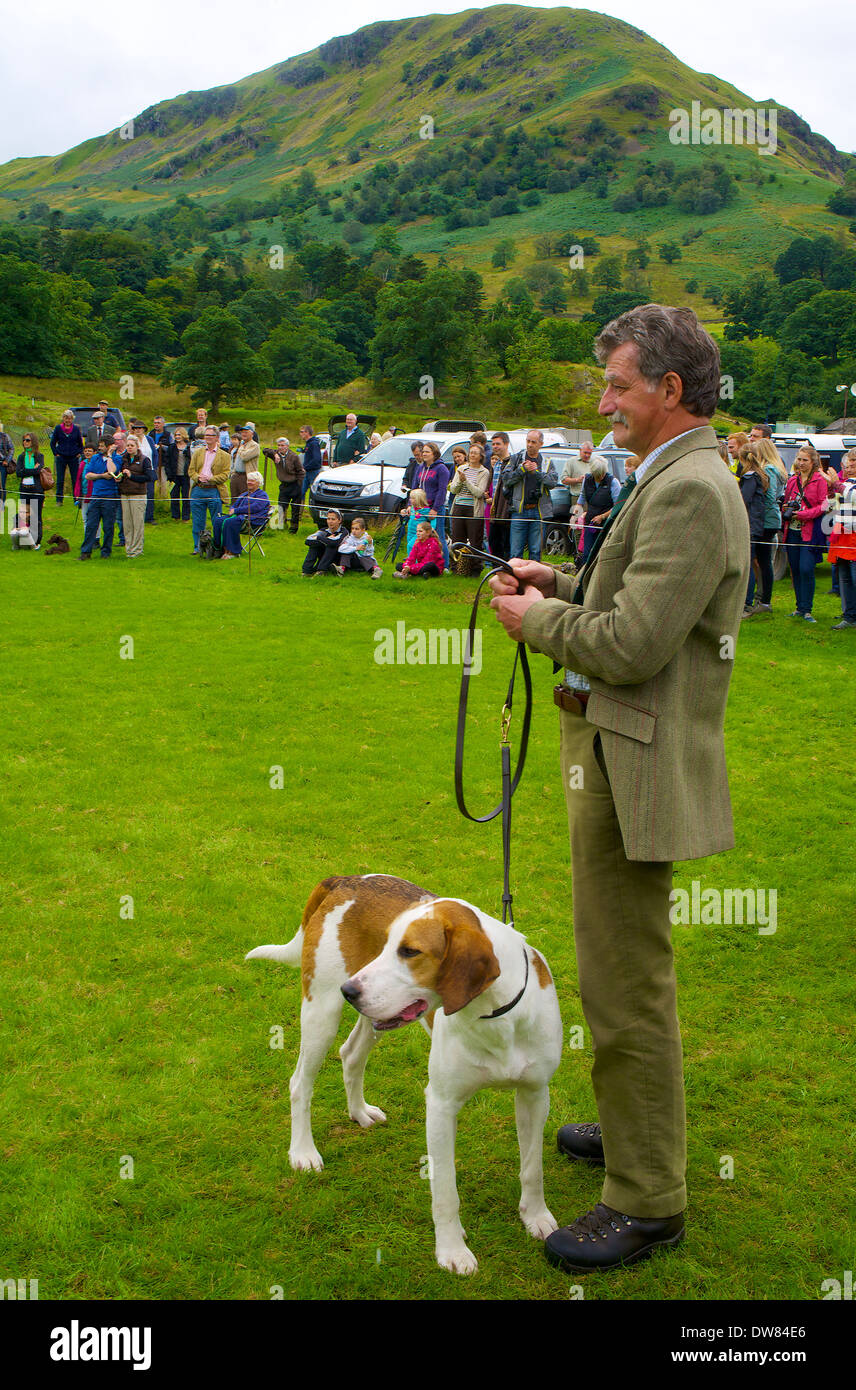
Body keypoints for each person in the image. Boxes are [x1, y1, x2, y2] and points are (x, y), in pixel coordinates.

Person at [489, 303, 749, 1274]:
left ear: (669, 390)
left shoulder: (688, 487)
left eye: (618, 385)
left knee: (624, 982)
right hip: (615, 753)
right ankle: (636, 1133)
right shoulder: (677, 476)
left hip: (631, 762)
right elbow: (631, 602)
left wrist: (534, 622)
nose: (603, 402)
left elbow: (633, 647)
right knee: (619, 970)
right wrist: (551, 583)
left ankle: (645, 1198)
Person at [782, 445, 828, 623]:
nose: (800, 463)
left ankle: (807, 609)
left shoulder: (819, 481)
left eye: (804, 460)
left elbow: (824, 506)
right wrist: (786, 508)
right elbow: (786, 501)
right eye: (799, 459)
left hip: (809, 531)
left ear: (813, 462)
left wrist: (803, 514)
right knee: (795, 569)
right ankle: (799, 607)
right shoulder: (793, 480)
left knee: (806, 569)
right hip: (792, 530)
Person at [503, 429, 557, 562]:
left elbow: (552, 482)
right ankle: (515, 581)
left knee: (535, 551)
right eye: (528, 441)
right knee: (515, 551)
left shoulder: (547, 462)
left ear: (541, 444)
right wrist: (522, 470)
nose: (530, 444)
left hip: (539, 512)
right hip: (519, 511)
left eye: (533, 442)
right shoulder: (516, 459)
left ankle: (533, 580)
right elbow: (506, 479)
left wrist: (536, 472)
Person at [746, 439, 786, 613]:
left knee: (763, 561)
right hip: (771, 518)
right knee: (762, 561)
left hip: (767, 520)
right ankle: (762, 599)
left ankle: (764, 600)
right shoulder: (778, 469)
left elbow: (769, 497)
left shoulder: (769, 469)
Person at [826, 447, 856, 629]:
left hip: (854, 536)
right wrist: (831, 491)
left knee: (854, 576)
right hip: (842, 535)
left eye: (854, 461)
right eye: (849, 461)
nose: (850, 465)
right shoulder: (845, 484)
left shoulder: (846, 485)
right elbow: (830, 506)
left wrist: (836, 485)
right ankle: (849, 615)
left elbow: (853, 496)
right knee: (844, 577)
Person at [736, 444, 768, 618]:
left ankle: (746, 604)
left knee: (747, 565)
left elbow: (744, 500)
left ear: (742, 459)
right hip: (755, 524)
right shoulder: (760, 475)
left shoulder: (749, 477)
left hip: (749, 525)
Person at [189, 426, 230, 556]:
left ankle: (216, 547)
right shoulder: (198, 453)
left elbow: (225, 475)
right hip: (198, 490)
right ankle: (198, 548)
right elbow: (191, 470)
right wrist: (198, 477)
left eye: (210, 435)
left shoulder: (225, 456)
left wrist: (211, 479)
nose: (207, 438)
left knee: (216, 521)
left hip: (214, 490)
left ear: (217, 438)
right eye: (206, 435)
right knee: (197, 521)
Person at [212, 471, 270, 559]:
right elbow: (235, 504)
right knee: (218, 520)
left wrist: (236, 510)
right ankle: (219, 549)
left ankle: (233, 551)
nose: (249, 482)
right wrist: (232, 509)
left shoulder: (262, 495)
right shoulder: (245, 494)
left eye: (252, 481)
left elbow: (255, 507)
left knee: (229, 522)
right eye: (248, 480)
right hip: (240, 517)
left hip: (252, 521)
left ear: (258, 483)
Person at [78, 437, 120, 559]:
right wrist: (101, 475)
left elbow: (112, 471)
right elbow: (88, 475)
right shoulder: (95, 458)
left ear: (109, 446)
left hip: (110, 497)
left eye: (102, 446)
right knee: (91, 524)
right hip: (95, 496)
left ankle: (106, 552)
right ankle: (86, 552)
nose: (99, 448)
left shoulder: (116, 458)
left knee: (108, 526)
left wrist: (110, 456)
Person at [575, 453, 621, 559]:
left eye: (602, 474)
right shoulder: (587, 479)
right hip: (590, 522)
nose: (601, 477)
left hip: (606, 524)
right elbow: (581, 498)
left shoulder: (613, 482)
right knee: (586, 554)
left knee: (601, 555)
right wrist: (574, 515)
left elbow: (618, 506)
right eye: (597, 475)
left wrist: (602, 516)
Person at [449, 442, 490, 556]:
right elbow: (453, 489)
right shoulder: (462, 468)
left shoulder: (484, 472)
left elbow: (479, 492)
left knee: (475, 541)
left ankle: (474, 568)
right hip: (458, 507)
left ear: (481, 456)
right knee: (457, 539)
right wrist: (460, 481)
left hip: (474, 510)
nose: (472, 455)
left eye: (475, 453)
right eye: (471, 453)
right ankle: (457, 567)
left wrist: (466, 481)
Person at [118, 434, 153, 559]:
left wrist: (132, 475)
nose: (129, 448)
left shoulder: (144, 460)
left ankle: (137, 550)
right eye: (127, 445)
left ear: (137, 446)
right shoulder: (123, 459)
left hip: (138, 495)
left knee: (137, 523)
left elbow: (149, 477)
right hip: (125, 494)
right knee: (127, 524)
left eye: (132, 445)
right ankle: (129, 549)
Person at [417, 441, 450, 566]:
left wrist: (435, 508)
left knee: (438, 536)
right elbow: (415, 486)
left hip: (435, 508)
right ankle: (424, 563)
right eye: (423, 451)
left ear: (434, 453)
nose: (424, 454)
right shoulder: (420, 467)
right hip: (421, 507)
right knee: (421, 537)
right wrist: (410, 504)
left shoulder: (442, 469)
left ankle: (444, 564)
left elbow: (442, 490)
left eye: (427, 452)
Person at [15, 431, 46, 548]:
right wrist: (32, 470)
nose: (25, 442)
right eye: (24, 440)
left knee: (36, 516)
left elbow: (38, 471)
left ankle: (37, 540)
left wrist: (27, 471)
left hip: (36, 490)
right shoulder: (21, 457)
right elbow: (18, 473)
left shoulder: (39, 456)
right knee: (24, 515)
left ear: (33, 442)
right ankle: (24, 539)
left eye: (27, 440)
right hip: (24, 489)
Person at [265, 437, 304, 532]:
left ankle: (294, 528)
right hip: (284, 485)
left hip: (295, 484)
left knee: (295, 509)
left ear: (287, 446)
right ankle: (282, 525)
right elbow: (265, 450)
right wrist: (275, 454)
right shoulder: (276, 455)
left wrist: (300, 485)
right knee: (281, 506)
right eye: (279, 445)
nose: (280, 447)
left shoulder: (294, 456)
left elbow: (300, 471)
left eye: (282, 445)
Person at [49, 409, 84, 505]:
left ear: (72, 419)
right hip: (61, 457)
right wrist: (56, 453)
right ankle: (59, 500)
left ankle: (76, 499)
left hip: (73, 457)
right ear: (63, 418)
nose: (68, 420)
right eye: (66, 418)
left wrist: (79, 453)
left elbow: (80, 444)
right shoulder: (58, 428)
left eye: (69, 418)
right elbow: (52, 443)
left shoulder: (76, 429)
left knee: (75, 479)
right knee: (60, 479)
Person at [487, 431, 512, 561]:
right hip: (494, 509)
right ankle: (497, 570)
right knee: (493, 542)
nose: (495, 446)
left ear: (506, 444)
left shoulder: (512, 463)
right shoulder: (496, 464)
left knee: (505, 543)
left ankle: (506, 571)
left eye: (498, 444)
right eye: (493, 444)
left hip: (506, 510)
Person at [302, 509, 349, 575]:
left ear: (339, 520)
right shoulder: (324, 530)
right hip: (325, 557)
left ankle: (321, 571)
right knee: (314, 546)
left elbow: (335, 543)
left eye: (333, 519)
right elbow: (308, 540)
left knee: (331, 546)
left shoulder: (344, 532)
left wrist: (320, 539)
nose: (330, 521)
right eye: (328, 519)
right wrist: (326, 539)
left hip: (338, 558)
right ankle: (306, 571)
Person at [146, 415, 172, 523]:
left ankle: (163, 503)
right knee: (153, 485)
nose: (156, 425)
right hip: (152, 464)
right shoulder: (150, 434)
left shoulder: (168, 435)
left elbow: (171, 447)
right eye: (155, 423)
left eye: (158, 423)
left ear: (163, 424)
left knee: (163, 484)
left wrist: (161, 447)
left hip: (163, 463)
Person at [166, 427, 192, 521]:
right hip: (174, 476)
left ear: (183, 435)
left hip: (186, 476)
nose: (177, 437)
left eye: (179, 435)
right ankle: (175, 516)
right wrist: (169, 475)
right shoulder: (171, 447)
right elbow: (167, 461)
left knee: (186, 497)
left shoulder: (189, 447)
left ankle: (186, 517)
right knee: (174, 497)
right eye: (176, 435)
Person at [232, 422, 260, 501]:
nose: (243, 434)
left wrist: (240, 448)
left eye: (246, 432)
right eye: (242, 432)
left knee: (245, 501)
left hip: (247, 477)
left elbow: (245, 457)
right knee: (234, 500)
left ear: (252, 434)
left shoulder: (255, 446)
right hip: (236, 475)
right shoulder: (242, 444)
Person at [299, 425, 323, 504]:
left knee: (314, 492)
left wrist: (305, 467)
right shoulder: (308, 443)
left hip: (313, 472)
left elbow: (316, 459)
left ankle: (314, 508)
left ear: (307, 433)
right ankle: (299, 512)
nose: (300, 434)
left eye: (302, 432)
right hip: (307, 472)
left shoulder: (313, 444)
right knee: (301, 492)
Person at [0, 420, 15, 505]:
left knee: (1, 485)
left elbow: (11, 449)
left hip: (2, 464)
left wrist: (7, 460)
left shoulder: (5, 436)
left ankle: (2, 504)